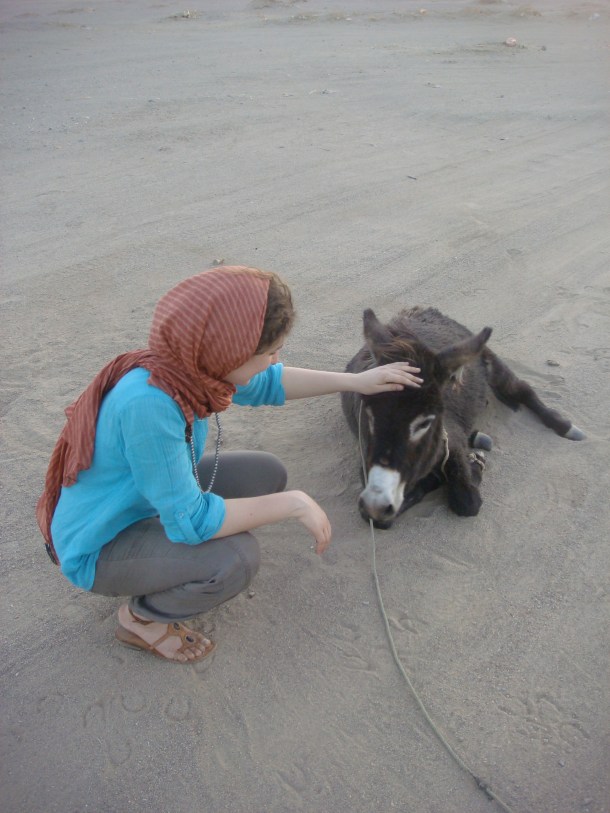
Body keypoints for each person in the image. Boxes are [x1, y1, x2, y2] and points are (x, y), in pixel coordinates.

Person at [37, 266, 422, 664]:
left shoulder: (190, 366)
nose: (275, 359)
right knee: (237, 558)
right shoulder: (149, 403)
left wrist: (357, 382)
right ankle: (142, 619)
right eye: (268, 352)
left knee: (266, 474)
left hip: (144, 500)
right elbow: (191, 521)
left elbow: (268, 382)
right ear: (228, 351)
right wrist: (294, 504)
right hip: (101, 540)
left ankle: (171, 561)